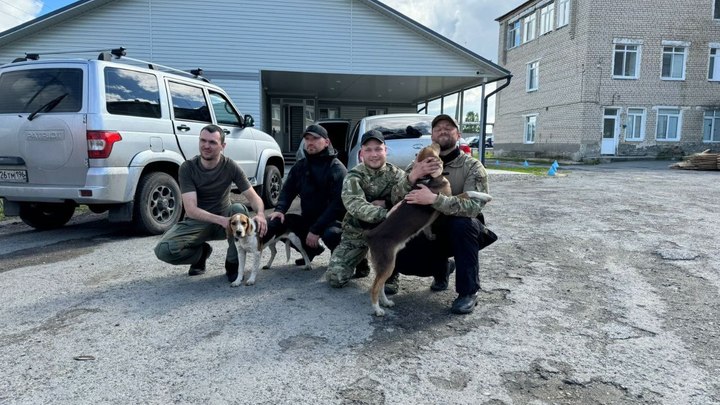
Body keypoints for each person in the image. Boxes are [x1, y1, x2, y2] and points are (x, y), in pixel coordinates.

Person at [390, 114, 492, 314]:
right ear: (432, 137)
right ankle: (442, 269)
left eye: (449, 127)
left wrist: (435, 200)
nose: (443, 131)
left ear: (458, 135)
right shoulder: (418, 163)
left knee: (464, 225)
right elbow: (394, 198)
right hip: (428, 229)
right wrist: (412, 177)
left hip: (459, 231)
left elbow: (474, 206)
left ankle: (468, 292)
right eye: (438, 128)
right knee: (406, 260)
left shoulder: (472, 166)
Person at [154, 124, 267, 283]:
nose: (206, 146)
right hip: (198, 222)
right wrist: (220, 220)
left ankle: (232, 263)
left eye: (213, 142)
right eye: (203, 140)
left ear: (223, 146)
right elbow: (191, 209)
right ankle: (201, 254)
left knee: (238, 209)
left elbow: (253, 197)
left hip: (226, 221)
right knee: (163, 250)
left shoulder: (230, 166)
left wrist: (261, 214)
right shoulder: (187, 168)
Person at [325, 130, 407, 287]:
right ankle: (361, 260)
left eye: (378, 149)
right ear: (361, 152)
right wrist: (386, 212)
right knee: (335, 278)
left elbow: (406, 202)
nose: (374, 154)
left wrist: (387, 204)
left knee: (400, 237)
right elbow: (355, 205)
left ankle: (391, 275)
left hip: (387, 235)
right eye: (368, 149)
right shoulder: (353, 176)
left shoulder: (398, 175)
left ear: (386, 150)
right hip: (357, 233)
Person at [264, 124, 347, 265]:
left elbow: (337, 206)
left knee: (331, 234)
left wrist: (315, 230)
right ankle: (310, 250)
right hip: (308, 219)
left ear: (326, 142)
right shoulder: (300, 166)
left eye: (315, 139)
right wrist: (280, 210)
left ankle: (339, 258)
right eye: (307, 139)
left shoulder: (337, 169)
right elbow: (287, 191)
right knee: (276, 222)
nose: (310, 142)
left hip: (332, 221)